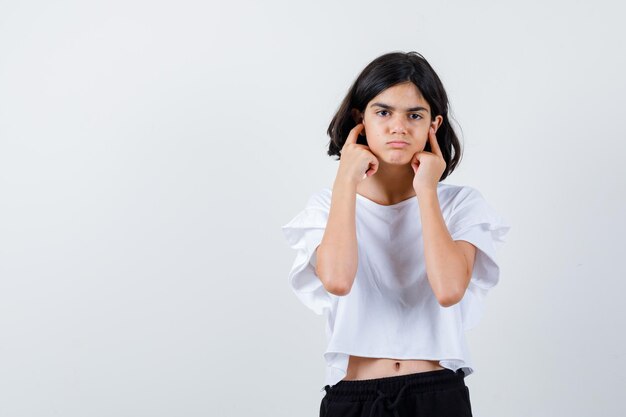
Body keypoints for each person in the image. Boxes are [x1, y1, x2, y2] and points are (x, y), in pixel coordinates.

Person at [281, 51, 511, 417]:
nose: (398, 127)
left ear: (432, 125)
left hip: (436, 395)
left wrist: (427, 191)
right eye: (383, 112)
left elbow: (449, 289)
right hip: (353, 397)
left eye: (414, 115)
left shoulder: (461, 204)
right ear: (360, 119)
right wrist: (345, 180)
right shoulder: (328, 206)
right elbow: (338, 281)